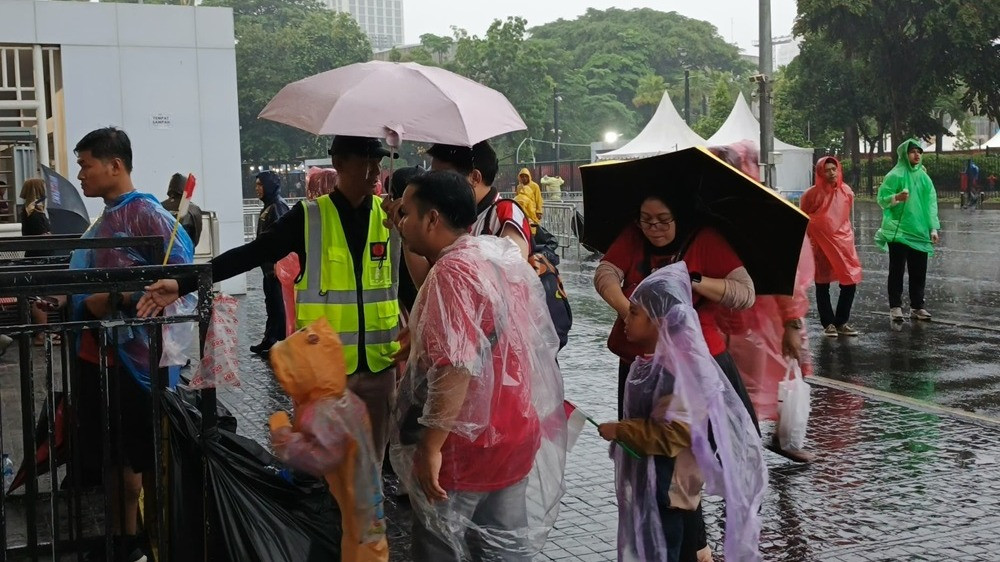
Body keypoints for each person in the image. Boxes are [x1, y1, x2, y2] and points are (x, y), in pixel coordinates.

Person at [138, 136, 401, 467]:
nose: (377, 169)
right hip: (326, 374)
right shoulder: (310, 217)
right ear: (340, 164)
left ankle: (364, 520)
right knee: (325, 473)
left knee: (370, 474)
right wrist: (183, 283)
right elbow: (252, 254)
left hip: (379, 370)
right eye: (368, 160)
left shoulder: (389, 217)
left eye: (379, 160)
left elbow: (411, 284)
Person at [389, 170, 566, 561]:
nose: (399, 223)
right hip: (515, 432)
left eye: (406, 214)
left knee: (442, 546)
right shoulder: (495, 256)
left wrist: (431, 446)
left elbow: (456, 366)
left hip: (465, 447)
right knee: (501, 550)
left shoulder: (451, 272)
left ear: (432, 219)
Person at [70, 127, 195, 562]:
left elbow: (182, 280)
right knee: (113, 460)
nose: (81, 175)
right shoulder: (107, 217)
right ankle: (124, 544)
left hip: (134, 365)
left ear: (114, 165)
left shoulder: (145, 215)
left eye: (86, 165)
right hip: (98, 356)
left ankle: (148, 544)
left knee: (138, 462)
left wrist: (119, 299)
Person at [597, 263, 766, 562]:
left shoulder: (677, 373)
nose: (626, 316)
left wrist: (621, 431)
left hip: (667, 492)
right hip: (654, 488)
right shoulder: (652, 364)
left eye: (635, 312)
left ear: (660, 322)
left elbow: (673, 434)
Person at [593, 192, 757, 425]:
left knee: (702, 447)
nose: (653, 227)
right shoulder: (633, 234)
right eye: (646, 219)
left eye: (663, 219)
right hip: (640, 363)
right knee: (639, 441)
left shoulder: (705, 239)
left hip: (698, 363)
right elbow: (605, 273)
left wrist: (692, 281)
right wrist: (628, 311)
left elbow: (745, 293)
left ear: (679, 216)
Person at [874, 139, 940, 321]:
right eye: (912, 151)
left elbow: (930, 204)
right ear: (904, 154)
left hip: (919, 231)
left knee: (919, 270)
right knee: (897, 270)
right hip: (899, 232)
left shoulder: (924, 177)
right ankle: (895, 307)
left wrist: (932, 228)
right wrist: (896, 197)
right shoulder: (895, 175)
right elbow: (881, 199)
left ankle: (917, 306)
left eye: (919, 151)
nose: (917, 155)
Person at [800, 156, 863, 336]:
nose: (831, 173)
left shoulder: (846, 191)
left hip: (842, 243)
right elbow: (803, 218)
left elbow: (846, 218)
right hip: (820, 246)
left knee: (850, 281)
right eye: (827, 170)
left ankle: (841, 321)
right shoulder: (811, 194)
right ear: (820, 172)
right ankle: (828, 323)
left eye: (834, 169)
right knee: (822, 283)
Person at [249, 170, 290, 355]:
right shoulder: (269, 206)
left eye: (260, 184)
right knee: (271, 304)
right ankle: (269, 339)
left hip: (276, 268)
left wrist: (278, 263)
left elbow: (283, 239)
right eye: (256, 184)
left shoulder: (277, 206)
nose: (257, 188)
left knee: (278, 306)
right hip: (268, 268)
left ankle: (278, 342)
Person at [19, 178, 56, 344]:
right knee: (40, 294)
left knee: (39, 294)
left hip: (36, 256)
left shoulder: (29, 210)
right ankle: (42, 333)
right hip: (41, 257)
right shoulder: (35, 213)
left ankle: (43, 331)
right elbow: (42, 236)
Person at [160, 172, 203, 247]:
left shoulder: (159, 206)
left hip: (163, 252)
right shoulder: (193, 208)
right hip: (185, 250)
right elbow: (196, 236)